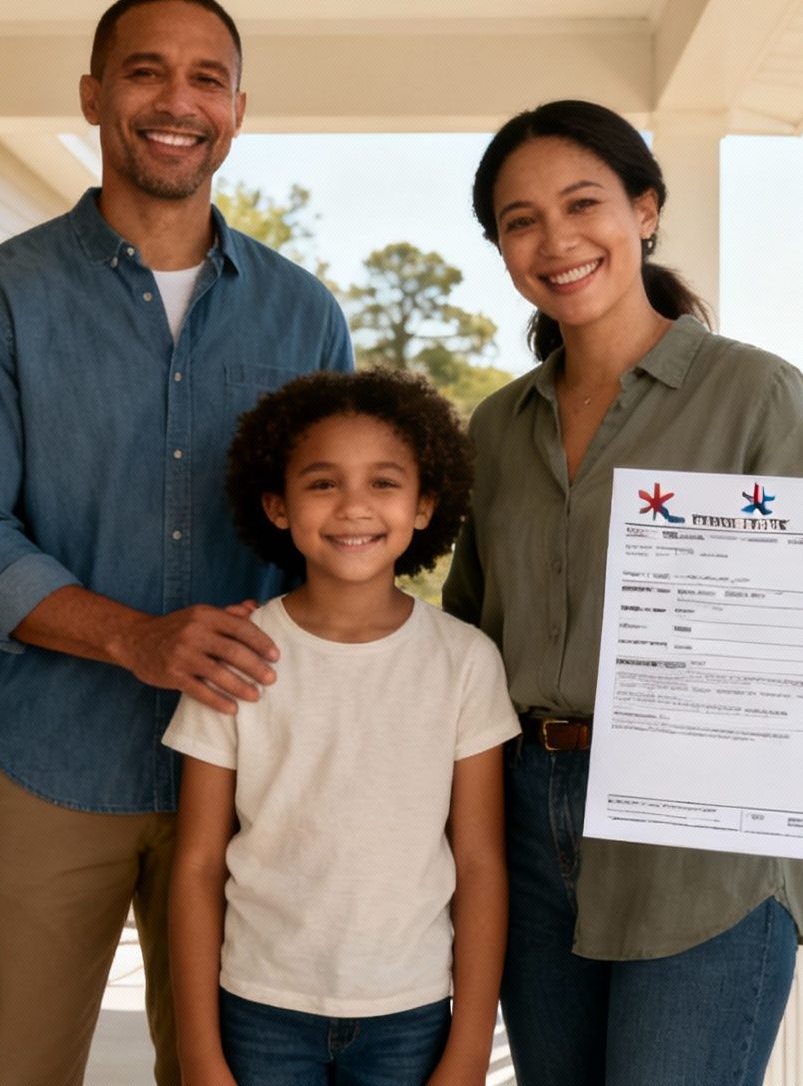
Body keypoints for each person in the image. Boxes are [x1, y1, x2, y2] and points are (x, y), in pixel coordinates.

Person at [443, 100, 803, 1085]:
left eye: (581, 202)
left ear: (643, 209)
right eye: (519, 221)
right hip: (520, 823)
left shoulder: (755, 394)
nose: (553, 240)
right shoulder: (496, 429)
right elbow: (465, 643)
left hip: (702, 831)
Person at [0, 0, 353, 1086]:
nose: (176, 99)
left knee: (232, 1074)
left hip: (252, 772)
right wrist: (134, 640)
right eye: (146, 70)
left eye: (207, 77)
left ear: (237, 111)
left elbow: (340, 535)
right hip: (52, 764)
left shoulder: (304, 315)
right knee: (14, 1068)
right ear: (94, 95)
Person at [165, 370, 516, 1086]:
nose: (354, 506)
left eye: (384, 483)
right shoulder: (235, 656)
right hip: (259, 1008)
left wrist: (471, 1046)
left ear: (424, 506)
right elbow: (199, 863)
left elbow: (479, 864)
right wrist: (198, 1052)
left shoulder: (464, 662)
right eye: (323, 483)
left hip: (411, 1012)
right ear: (278, 505)